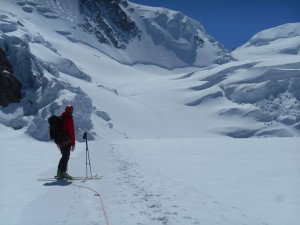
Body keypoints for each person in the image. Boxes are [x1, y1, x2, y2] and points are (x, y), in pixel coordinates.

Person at [56, 105, 76, 179]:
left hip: (60, 141)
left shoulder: (62, 117)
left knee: (64, 156)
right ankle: (63, 172)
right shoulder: (69, 119)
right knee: (66, 156)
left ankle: (59, 172)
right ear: (71, 111)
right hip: (66, 141)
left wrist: (58, 142)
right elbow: (71, 132)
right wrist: (73, 144)